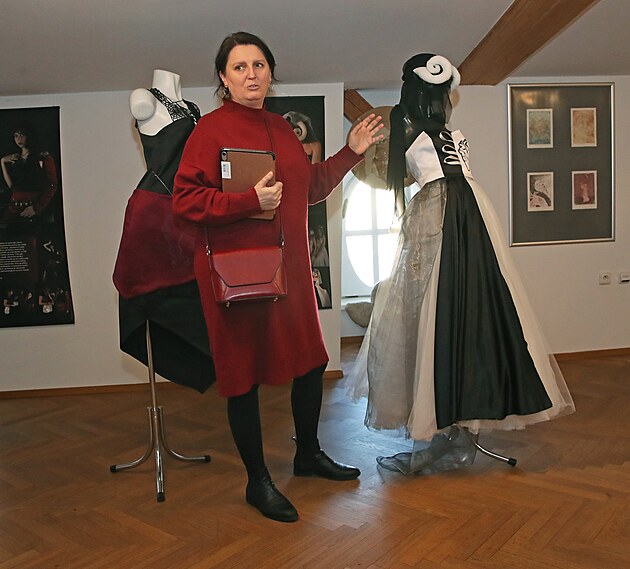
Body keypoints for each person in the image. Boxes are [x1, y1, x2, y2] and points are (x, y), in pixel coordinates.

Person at [173, 31, 383, 522]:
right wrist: (249, 202)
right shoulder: (209, 131)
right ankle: (257, 481)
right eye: (240, 67)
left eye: (259, 65)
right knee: (242, 376)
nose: (251, 74)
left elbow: (309, 189)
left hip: (289, 272)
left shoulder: (281, 129)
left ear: (270, 72)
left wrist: (350, 152)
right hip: (237, 277)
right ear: (224, 78)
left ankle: (307, 455)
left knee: (311, 361)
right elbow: (185, 201)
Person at [348, 54, 574, 473]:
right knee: (438, 311)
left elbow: (405, 180)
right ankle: (446, 425)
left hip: (462, 217)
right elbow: (397, 180)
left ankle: (461, 423)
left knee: (473, 307)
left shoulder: (448, 134)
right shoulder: (405, 127)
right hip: (446, 214)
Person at [112, 69, 215, 393]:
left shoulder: (192, 107)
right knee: (154, 293)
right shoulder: (143, 99)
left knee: (196, 296)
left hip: (188, 213)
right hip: (156, 215)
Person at [1, 124, 57, 222]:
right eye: (16, 135)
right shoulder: (15, 158)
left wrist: (37, 207)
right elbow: (11, 186)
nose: (19, 139)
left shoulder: (42, 157)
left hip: (34, 206)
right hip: (14, 207)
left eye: (22, 135)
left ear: (29, 135)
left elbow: (52, 184)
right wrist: (2, 162)